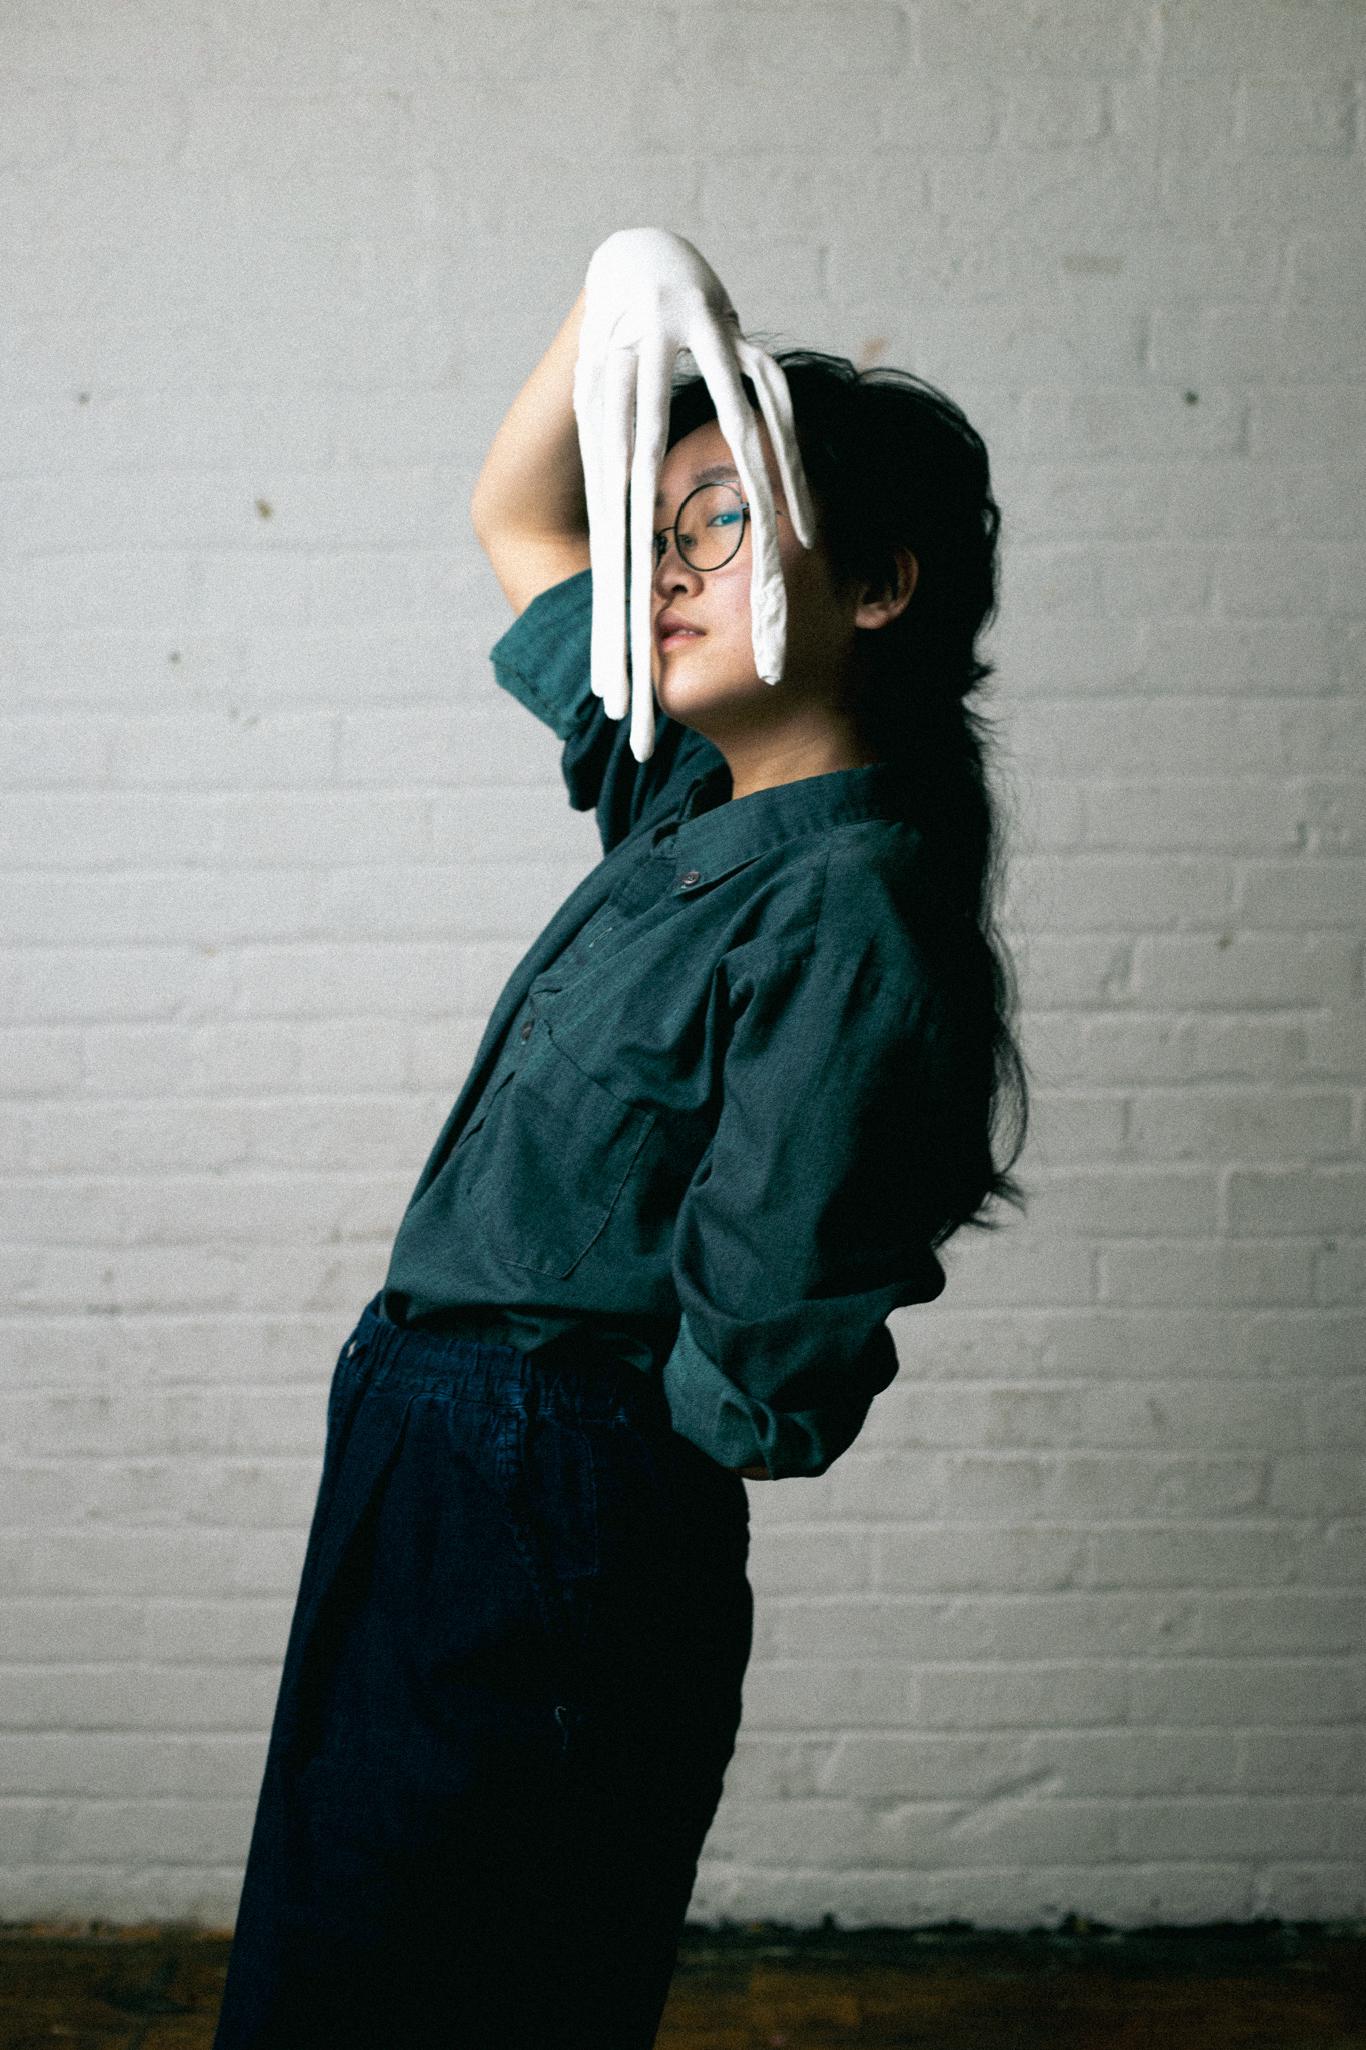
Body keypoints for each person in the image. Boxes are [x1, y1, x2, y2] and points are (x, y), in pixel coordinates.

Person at [211, 236, 1030, 2050]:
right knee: (343, 1958)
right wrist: (637, 287)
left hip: (548, 1487)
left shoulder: (848, 907)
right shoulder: (683, 793)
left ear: (879, 585)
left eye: (720, 521)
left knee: (456, 1980)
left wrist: (565, 1471)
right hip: (432, 1449)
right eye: (654, 528)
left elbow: (760, 1385)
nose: (658, 568)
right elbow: (516, 517)